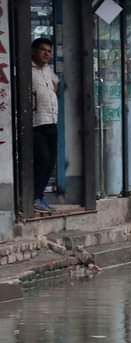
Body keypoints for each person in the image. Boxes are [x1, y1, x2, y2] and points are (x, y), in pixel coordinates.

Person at [31, 37, 59, 213]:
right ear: (34, 51)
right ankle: (34, 197)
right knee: (43, 160)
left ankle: (39, 196)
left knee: (50, 162)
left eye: (49, 51)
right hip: (36, 123)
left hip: (51, 121)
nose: (46, 54)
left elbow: (56, 85)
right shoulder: (28, 70)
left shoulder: (48, 70)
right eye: (43, 50)